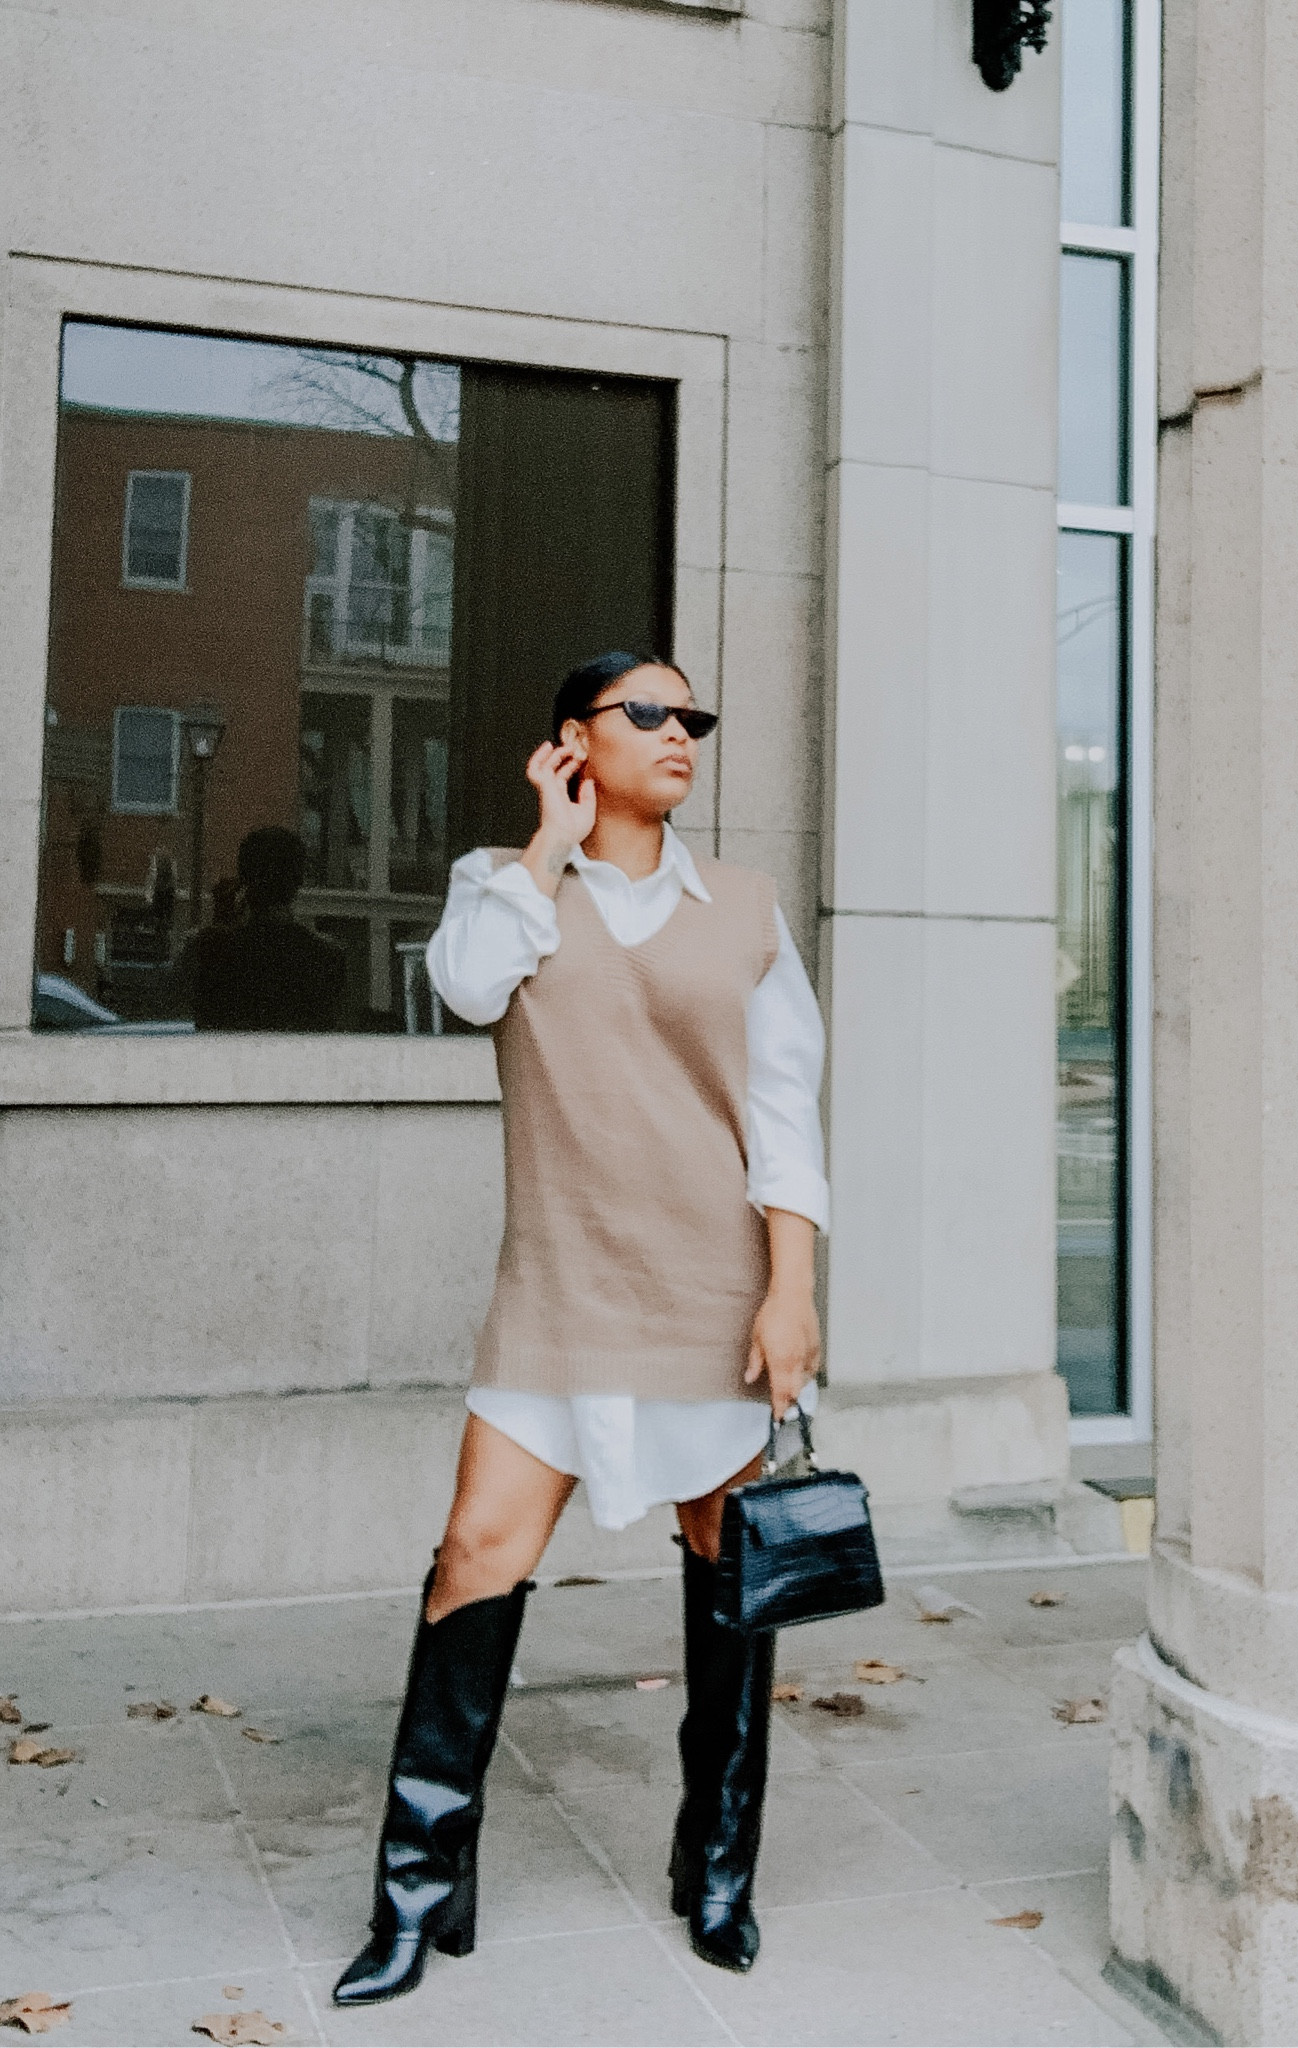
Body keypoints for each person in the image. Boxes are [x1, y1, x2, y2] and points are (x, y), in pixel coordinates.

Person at [333, 651, 828, 2006]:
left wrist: (792, 1290)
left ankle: (715, 1868)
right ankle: (417, 1894)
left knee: (728, 1569)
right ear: (574, 741)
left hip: (707, 1294)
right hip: (555, 1289)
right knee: (473, 1560)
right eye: (648, 715)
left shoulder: (745, 909)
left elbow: (787, 1120)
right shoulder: (510, 886)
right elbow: (469, 990)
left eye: (693, 718)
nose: (680, 736)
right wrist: (545, 846)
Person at [183, 826, 347, 1031]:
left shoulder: (210, 950)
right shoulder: (327, 957)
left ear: (243, 879)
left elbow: (195, 1014)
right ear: (298, 880)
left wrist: (217, 932)